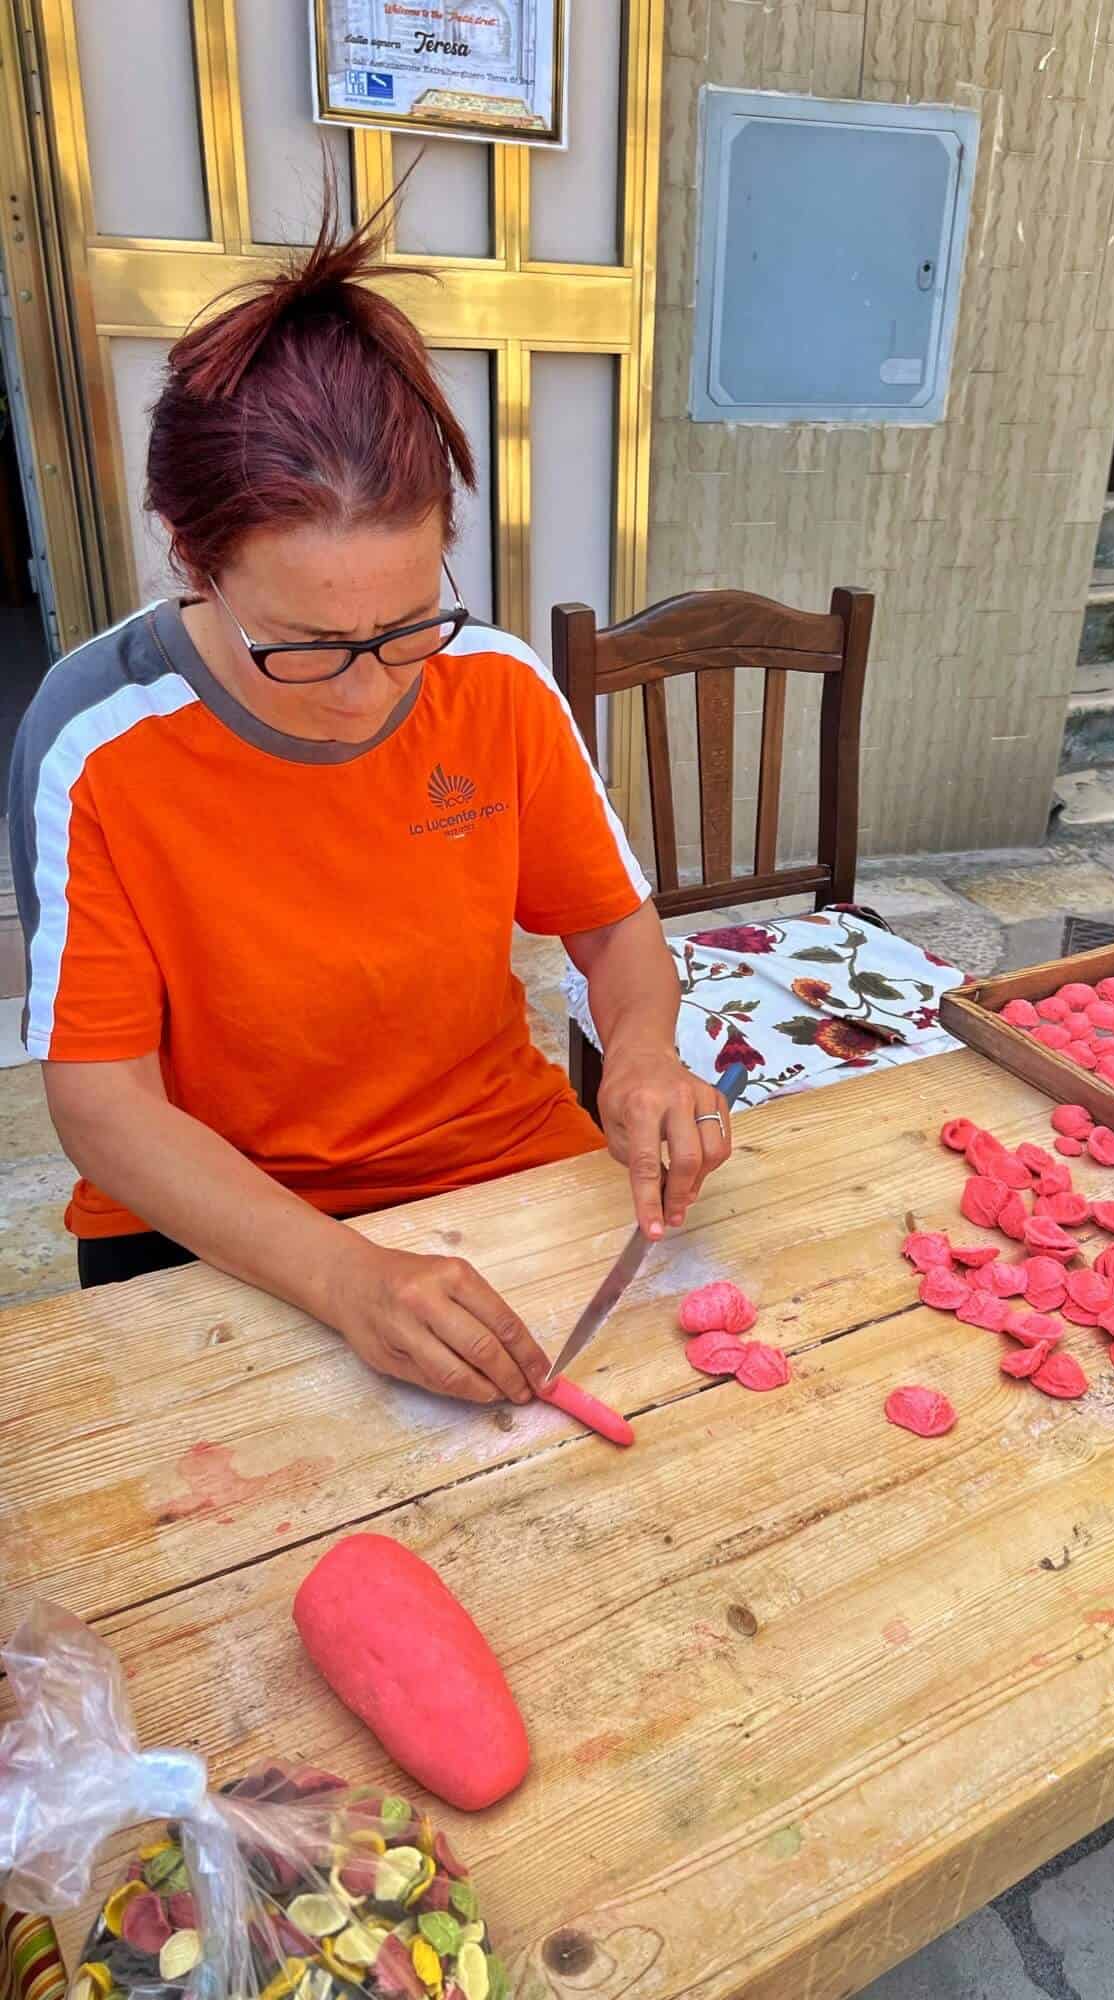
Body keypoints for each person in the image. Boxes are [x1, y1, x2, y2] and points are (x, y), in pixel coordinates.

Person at [7, 194, 733, 1407]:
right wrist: (346, 1280)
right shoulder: (97, 740)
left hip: (497, 1153)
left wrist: (646, 1054)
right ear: (191, 557)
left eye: (405, 625)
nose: (367, 691)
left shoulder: (494, 686)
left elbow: (610, 928)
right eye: (305, 642)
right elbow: (101, 1102)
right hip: (224, 1211)